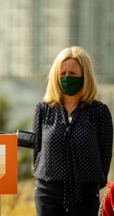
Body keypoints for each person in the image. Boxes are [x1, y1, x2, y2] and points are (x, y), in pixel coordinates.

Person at [32, 46, 113, 216]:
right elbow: (38, 151)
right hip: (48, 193)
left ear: (85, 76)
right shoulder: (44, 109)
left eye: (72, 74)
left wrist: (92, 184)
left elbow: (105, 155)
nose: (67, 78)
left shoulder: (99, 112)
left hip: (85, 194)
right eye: (62, 74)